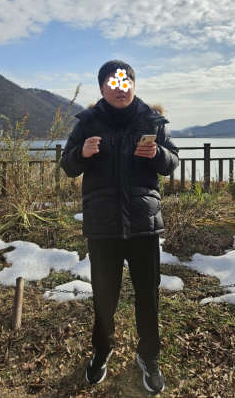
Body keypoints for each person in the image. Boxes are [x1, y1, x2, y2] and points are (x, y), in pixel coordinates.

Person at [61, 60, 179, 395]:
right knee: (104, 296)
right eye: (112, 83)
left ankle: (149, 356)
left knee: (148, 296)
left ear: (133, 85)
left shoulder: (152, 121)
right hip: (103, 227)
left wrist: (157, 153)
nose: (120, 88)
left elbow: (172, 162)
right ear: (102, 88)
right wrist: (82, 153)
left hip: (144, 225)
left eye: (125, 82)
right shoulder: (87, 122)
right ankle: (102, 349)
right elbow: (67, 165)